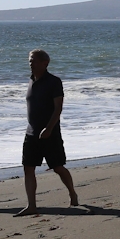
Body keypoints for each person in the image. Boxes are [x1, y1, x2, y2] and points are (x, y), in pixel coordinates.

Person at [17, 49, 79, 216]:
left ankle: (72, 193)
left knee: (58, 167)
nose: (31, 63)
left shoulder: (53, 82)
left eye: (34, 61)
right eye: (30, 60)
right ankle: (31, 205)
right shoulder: (31, 81)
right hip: (31, 132)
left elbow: (58, 108)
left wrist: (49, 128)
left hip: (50, 133)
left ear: (45, 63)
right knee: (28, 168)